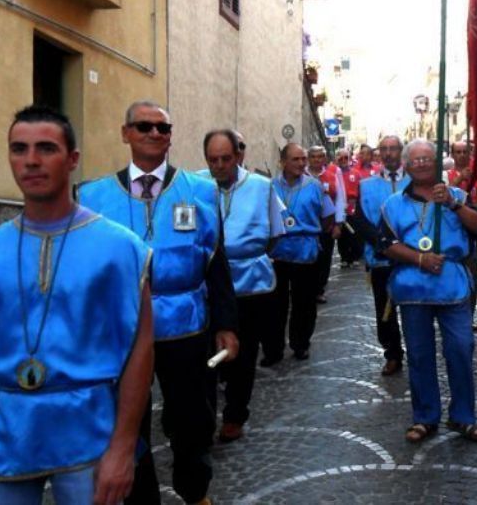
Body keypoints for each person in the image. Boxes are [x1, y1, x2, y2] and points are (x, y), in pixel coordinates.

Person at [0, 106, 153, 505]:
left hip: (89, 431)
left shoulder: (121, 249)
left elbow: (140, 352)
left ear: (72, 159)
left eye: (46, 148)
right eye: (19, 149)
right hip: (0, 435)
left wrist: (123, 449)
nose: (31, 161)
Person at [76, 100, 239, 505]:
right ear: (125, 133)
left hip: (185, 325)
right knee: (126, 422)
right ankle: (139, 496)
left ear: (170, 137)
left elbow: (217, 262)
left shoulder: (200, 191)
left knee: (192, 419)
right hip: (121, 330)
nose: (154, 134)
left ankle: (194, 490)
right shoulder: (92, 195)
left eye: (162, 129)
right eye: (144, 126)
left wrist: (226, 324)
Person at [380, 139, 477, 443]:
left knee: (460, 348)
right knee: (419, 354)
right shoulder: (393, 204)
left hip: (452, 286)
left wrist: (453, 204)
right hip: (413, 288)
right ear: (406, 165)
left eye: (428, 158)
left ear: (437, 162)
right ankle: (425, 417)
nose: (423, 164)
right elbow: (386, 245)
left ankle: (463, 416)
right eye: (416, 160)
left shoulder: (457, 195)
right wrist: (420, 259)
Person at [201, 130, 286, 444]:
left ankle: (235, 414)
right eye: (213, 160)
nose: (220, 165)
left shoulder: (262, 187)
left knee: (244, 352)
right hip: (207, 282)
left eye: (226, 158)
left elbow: (277, 234)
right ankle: (204, 414)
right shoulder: (195, 185)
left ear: (238, 156)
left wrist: (247, 253)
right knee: (207, 353)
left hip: (249, 283)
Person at [263, 143, 336, 364]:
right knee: (275, 305)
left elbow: (328, 217)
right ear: (283, 161)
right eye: (296, 159)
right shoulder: (269, 187)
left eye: (303, 159)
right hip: (278, 252)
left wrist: (310, 232)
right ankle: (273, 350)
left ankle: (300, 344)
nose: (301, 163)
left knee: (304, 303)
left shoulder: (315, 186)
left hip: (306, 251)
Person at [350, 135, 409, 376]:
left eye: (393, 149)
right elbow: (360, 219)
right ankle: (392, 353)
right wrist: (381, 242)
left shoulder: (415, 182)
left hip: (410, 257)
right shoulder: (366, 185)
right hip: (380, 257)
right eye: (383, 149)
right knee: (384, 310)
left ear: (401, 152)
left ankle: (417, 350)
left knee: (413, 306)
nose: (388, 153)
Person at [447, 141, 477, 332]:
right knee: (451, 274)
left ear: (470, 153)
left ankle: (469, 316)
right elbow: (441, 194)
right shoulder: (445, 175)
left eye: (464, 152)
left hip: (473, 233)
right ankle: (451, 315)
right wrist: (459, 180)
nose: (461, 155)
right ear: (452, 154)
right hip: (451, 232)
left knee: (473, 276)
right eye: (457, 152)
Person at [307, 146, 344, 304]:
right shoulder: (303, 174)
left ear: (324, 158)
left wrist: (339, 224)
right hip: (307, 225)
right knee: (309, 258)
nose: (317, 159)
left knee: (324, 258)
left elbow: (340, 198)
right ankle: (307, 289)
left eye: (320, 156)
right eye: (313, 156)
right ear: (309, 158)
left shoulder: (333, 173)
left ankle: (319, 289)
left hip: (327, 225)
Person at [335, 148, 363, 268]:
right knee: (342, 235)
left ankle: (355, 257)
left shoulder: (356, 173)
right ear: (337, 159)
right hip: (339, 208)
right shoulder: (334, 174)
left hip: (353, 207)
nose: (343, 160)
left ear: (350, 158)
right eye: (340, 158)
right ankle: (344, 258)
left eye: (345, 157)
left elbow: (361, 191)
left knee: (355, 234)